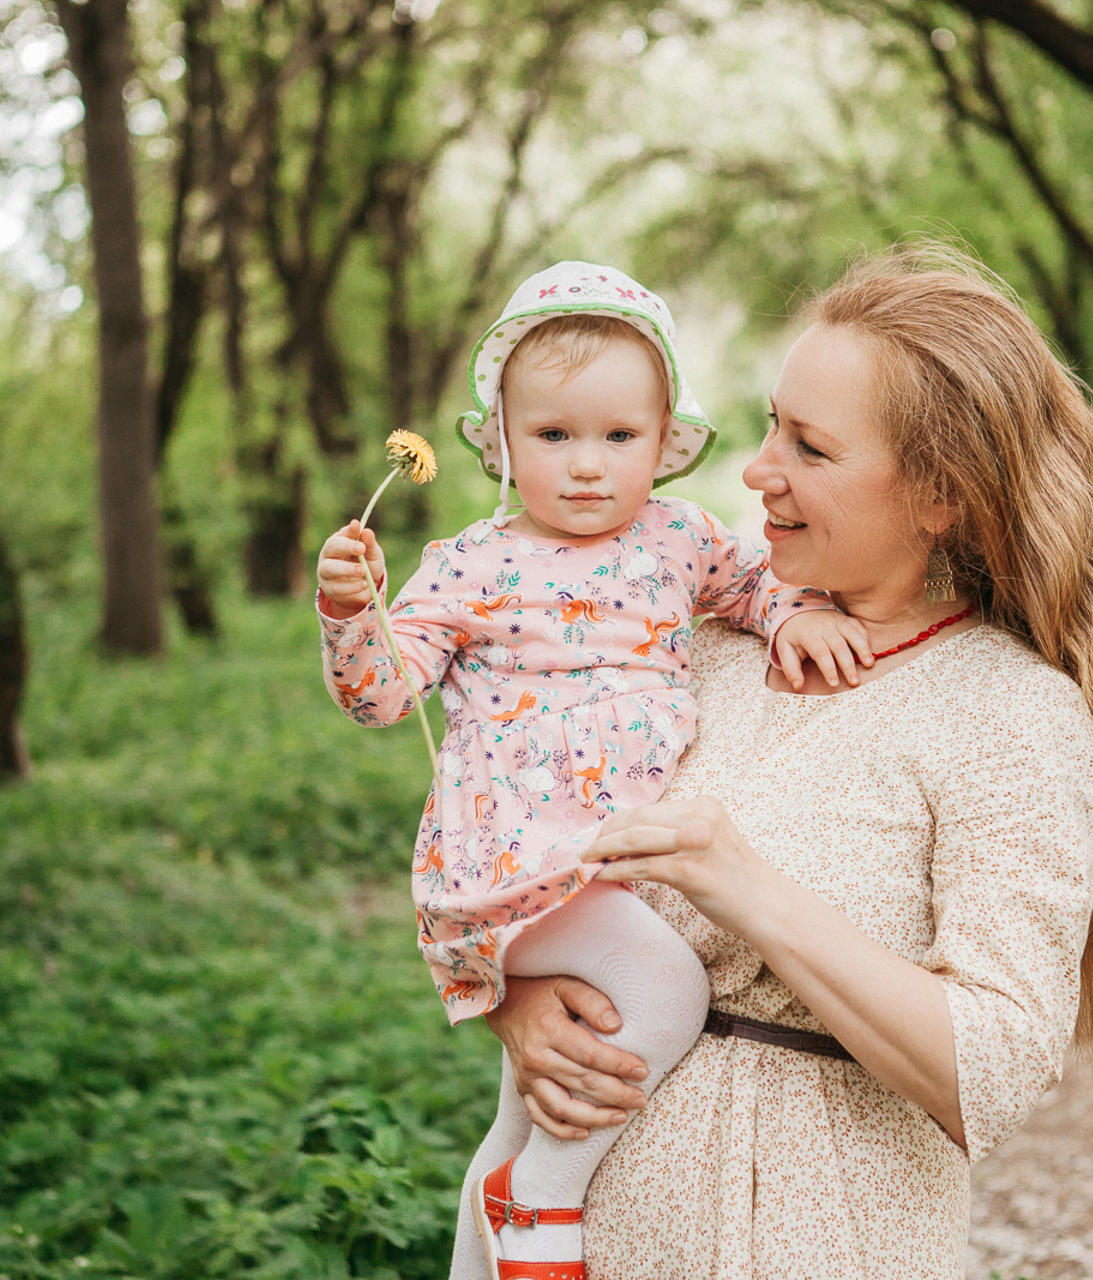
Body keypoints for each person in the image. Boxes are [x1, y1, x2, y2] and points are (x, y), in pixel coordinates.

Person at [480, 243, 1093, 1280]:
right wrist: (516, 997)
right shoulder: (691, 645)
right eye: (772, 422)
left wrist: (747, 889)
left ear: (938, 494)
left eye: (809, 448)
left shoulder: (1009, 715)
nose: (757, 467)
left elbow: (989, 1072)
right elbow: (510, 827)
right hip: (587, 1238)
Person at [315, 262, 871, 1280]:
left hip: (610, 861)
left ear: (664, 440)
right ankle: (545, 1199)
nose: (585, 466)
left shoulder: (678, 538)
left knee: (526, 1092)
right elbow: (382, 695)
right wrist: (352, 613)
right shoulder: (471, 562)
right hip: (517, 860)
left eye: (618, 437)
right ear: (501, 439)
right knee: (664, 989)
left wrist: (796, 610)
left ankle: (486, 1231)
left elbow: (752, 584)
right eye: (553, 435)